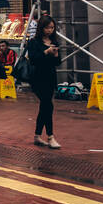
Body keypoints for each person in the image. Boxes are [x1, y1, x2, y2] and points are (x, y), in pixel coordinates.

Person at [27, 15, 62, 149]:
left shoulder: (55, 42)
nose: (50, 30)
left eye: (52, 28)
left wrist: (56, 55)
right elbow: (34, 59)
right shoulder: (34, 42)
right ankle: (50, 136)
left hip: (50, 77)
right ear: (41, 28)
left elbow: (58, 63)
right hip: (37, 78)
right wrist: (46, 52)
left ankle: (37, 136)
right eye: (47, 27)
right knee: (48, 105)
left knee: (45, 106)